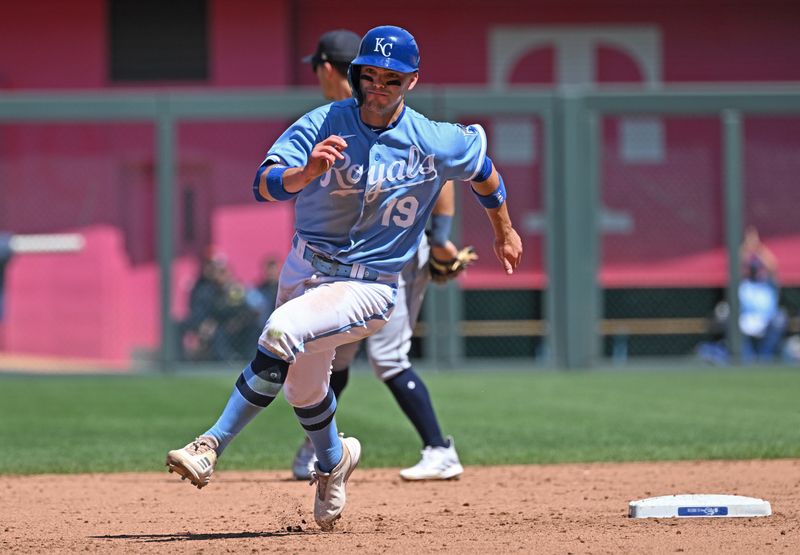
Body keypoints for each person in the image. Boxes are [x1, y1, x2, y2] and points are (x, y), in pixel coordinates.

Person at [166, 25, 523, 532]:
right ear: (355, 75)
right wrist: (303, 174)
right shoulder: (323, 122)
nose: (377, 87)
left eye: (391, 80)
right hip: (305, 267)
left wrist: (503, 230)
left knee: (281, 331)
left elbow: (484, 171)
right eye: (368, 76)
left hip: (370, 285)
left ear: (412, 82)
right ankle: (334, 461)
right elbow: (263, 183)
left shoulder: (431, 137)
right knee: (302, 388)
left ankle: (210, 445)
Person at [289, 29, 470, 482]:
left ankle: (438, 448)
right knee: (338, 355)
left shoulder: (392, 119)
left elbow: (444, 175)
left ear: (327, 68)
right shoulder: (341, 118)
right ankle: (318, 449)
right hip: (349, 263)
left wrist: (441, 236)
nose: (377, 85)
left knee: (389, 356)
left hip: (396, 258)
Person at [697, 226, 787, 364]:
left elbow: (773, 266)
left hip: (766, 321)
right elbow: (734, 265)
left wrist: (757, 247)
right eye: (751, 268)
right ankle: (746, 358)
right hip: (742, 320)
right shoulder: (741, 283)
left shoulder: (768, 284)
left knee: (780, 318)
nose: (754, 271)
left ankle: (765, 358)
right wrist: (746, 247)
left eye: (756, 268)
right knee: (726, 314)